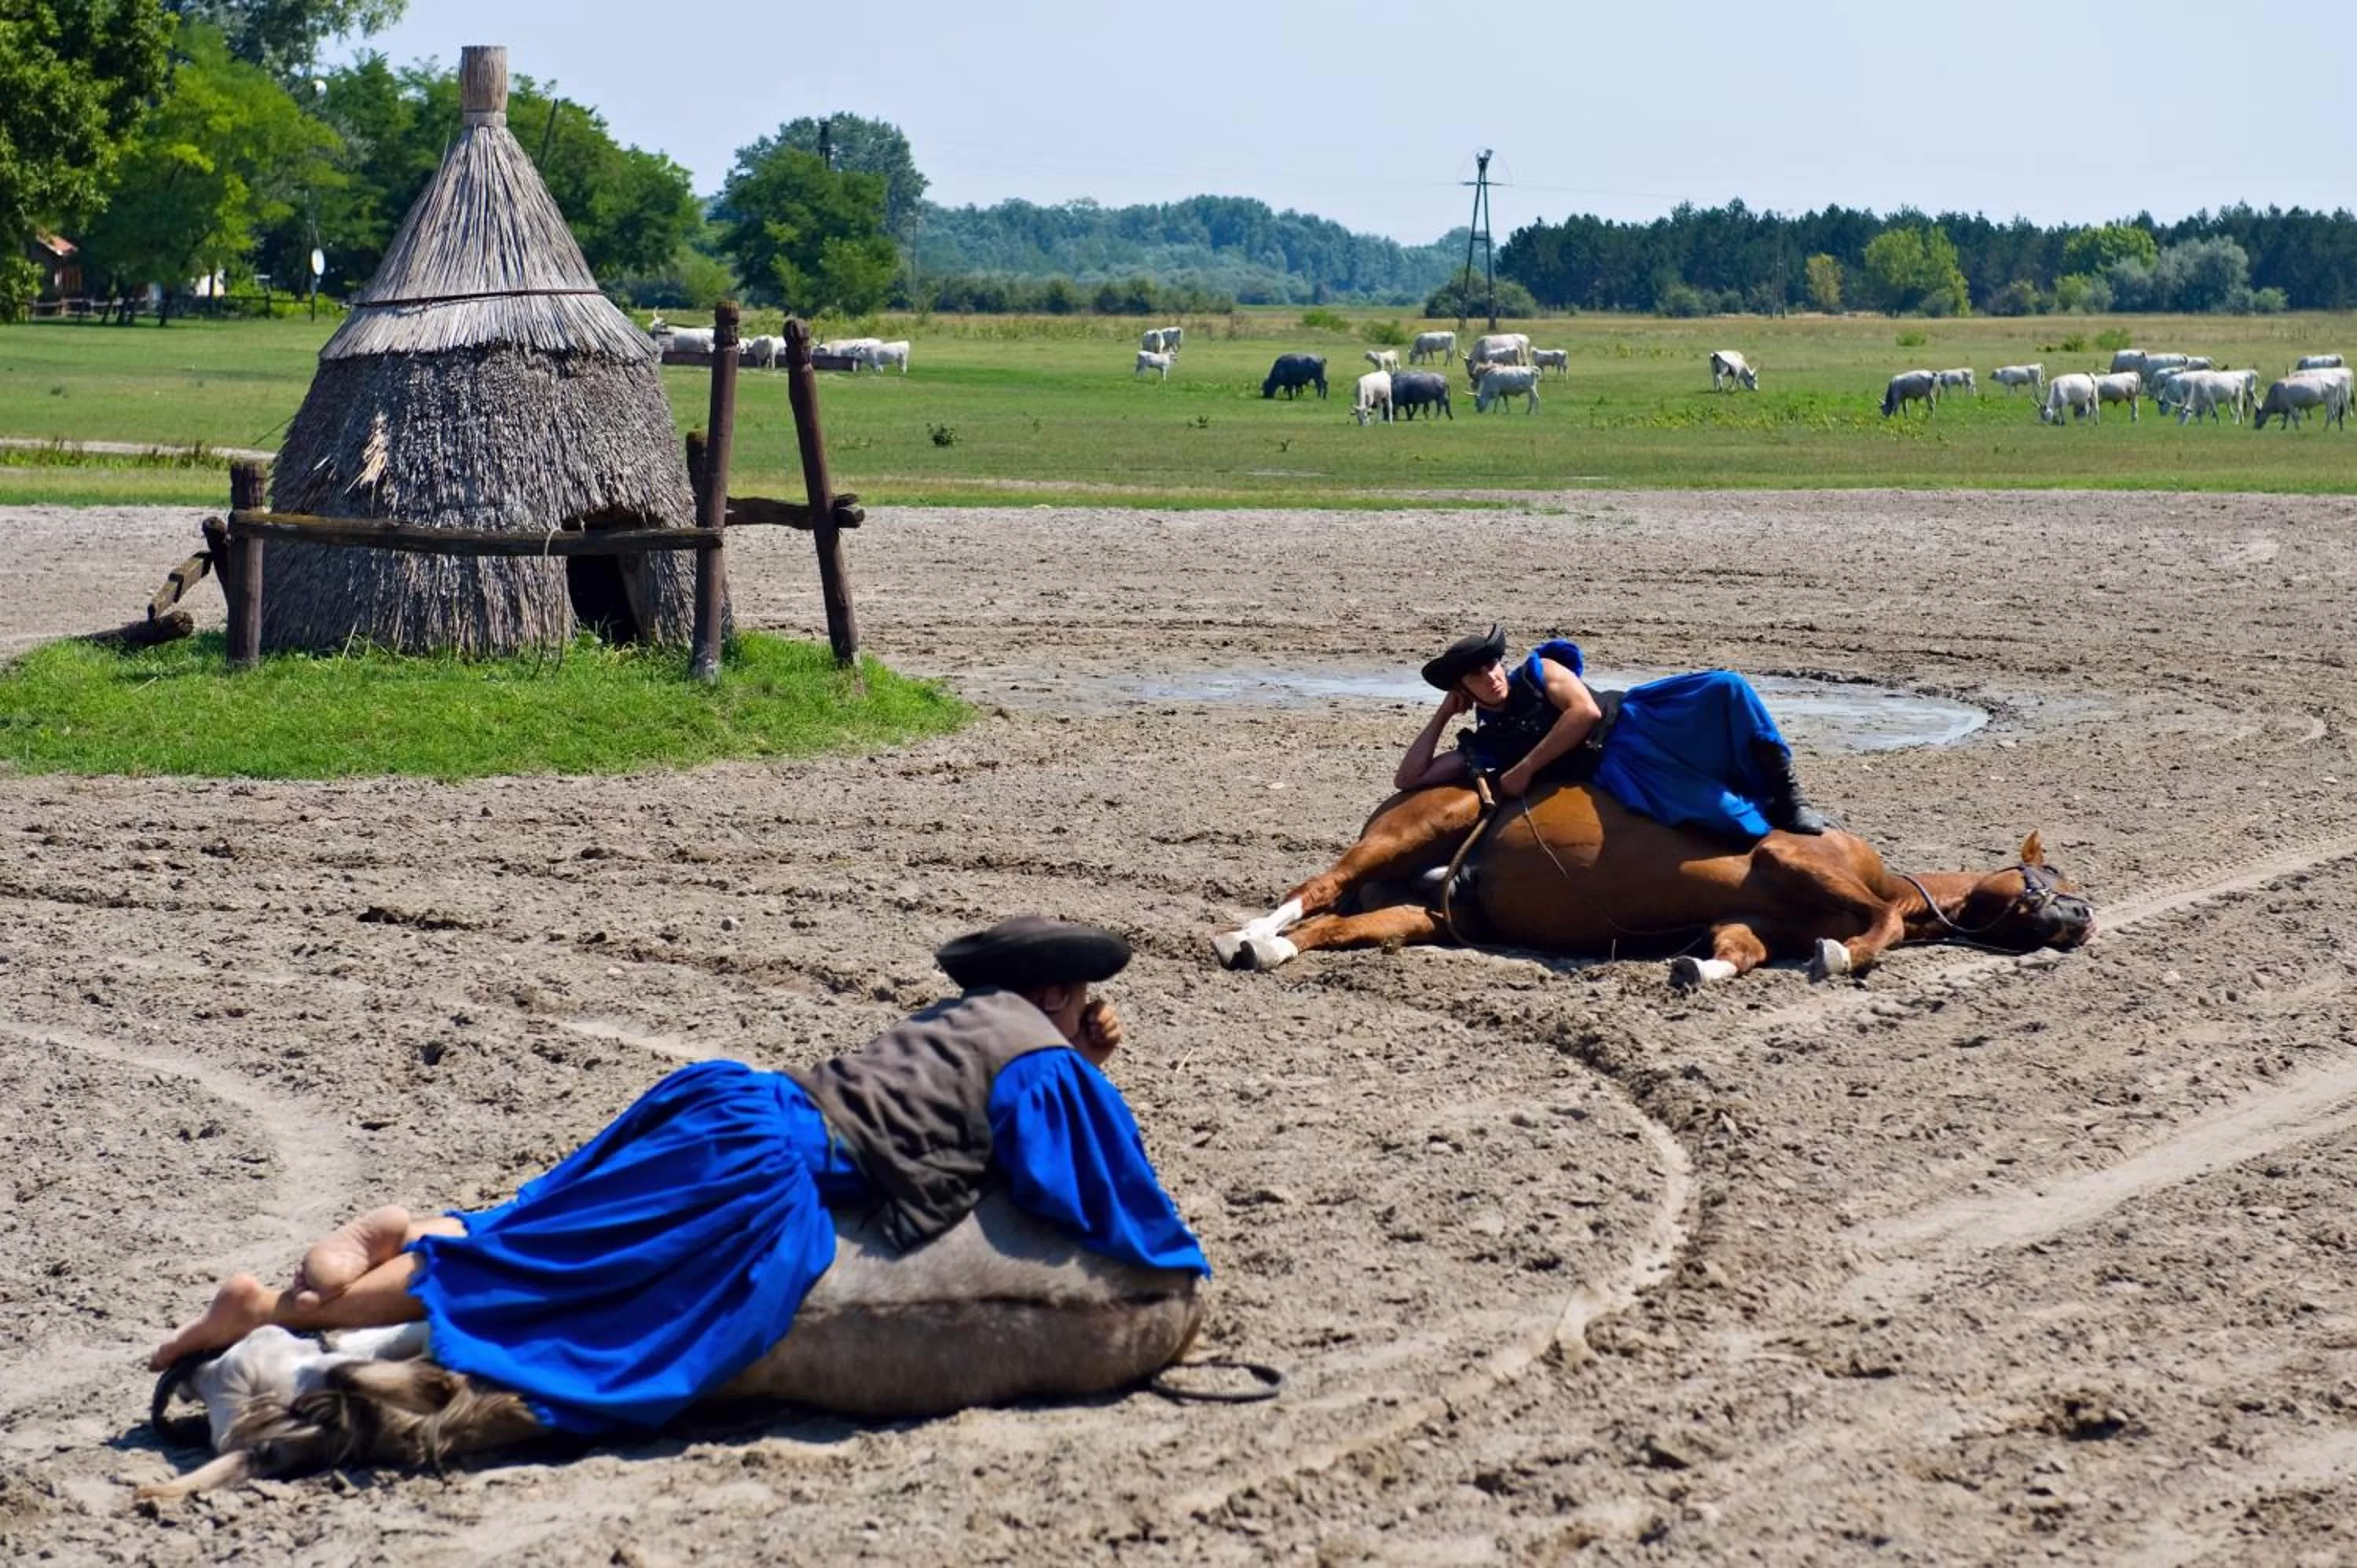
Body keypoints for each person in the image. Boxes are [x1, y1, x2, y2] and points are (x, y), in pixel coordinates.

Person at [149, 917, 1208, 1435]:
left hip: (728, 1102)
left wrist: (1078, 1057)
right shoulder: (1039, 1054)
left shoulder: (959, 1022)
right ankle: (286, 1308)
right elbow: (1088, 1185)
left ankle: (384, 1246)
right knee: (577, 1285)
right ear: (1066, 991)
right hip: (760, 1165)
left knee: (554, 1230)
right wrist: (1170, 1246)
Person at [1394, 623, 1831, 838]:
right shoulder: (1487, 743)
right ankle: (1770, 818)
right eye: (1475, 676)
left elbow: (1583, 714)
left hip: (1636, 718)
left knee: (1726, 687)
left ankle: (1791, 798)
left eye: (1491, 665)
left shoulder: (1539, 671)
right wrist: (1443, 715)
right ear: (1462, 688)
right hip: (1616, 767)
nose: (1490, 677)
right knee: (1726, 822)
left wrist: (1526, 768)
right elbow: (1409, 779)